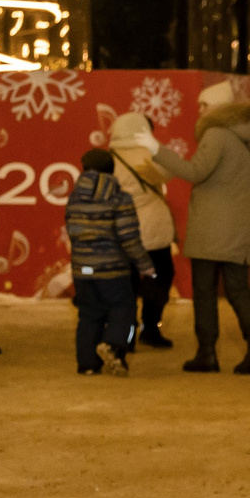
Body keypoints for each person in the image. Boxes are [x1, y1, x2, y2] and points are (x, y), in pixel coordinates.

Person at [153, 81, 250, 376]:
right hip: (240, 226)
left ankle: (207, 353)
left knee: (204, 291)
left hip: (211, 227)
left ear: (220, 108)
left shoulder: (216, 134)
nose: (200, 111)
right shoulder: (249, 138)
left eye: (205, 105)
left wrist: (157, 150)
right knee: (238, 289)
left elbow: (195, 172)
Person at [64, 146, 150, 375]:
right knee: (123, 308)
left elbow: (73, 232)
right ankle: (113, 345)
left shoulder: (74, 198)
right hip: (112, 268)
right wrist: (145, 265)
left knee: (89, 313)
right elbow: (129, 237)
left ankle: (87, 363)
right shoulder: (120, 198)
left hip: (83, 268)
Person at [107, 113, 177, 350]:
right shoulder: (150, 154)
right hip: (155, 231)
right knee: (160, 279)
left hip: (123, 232)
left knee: (124, 286)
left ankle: (125, 334)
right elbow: (172, 168)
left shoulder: (110, 159)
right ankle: (150, 327)